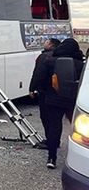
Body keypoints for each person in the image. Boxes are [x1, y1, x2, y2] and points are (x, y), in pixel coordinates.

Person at [33, 38, 85, 169]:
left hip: (53, 100)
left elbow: (41, 78)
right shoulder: (80, 64)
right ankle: (79, 156)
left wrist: (44, 92)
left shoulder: (49, 61)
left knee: (54, 128)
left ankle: (52, 158)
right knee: (77, 128)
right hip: (72, 100)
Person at [28, 38, 61, 149]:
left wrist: (32, 88)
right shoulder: (62, 56)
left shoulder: (44, 57)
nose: (44, 43)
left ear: (51, 45)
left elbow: (38, 74)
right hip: (59, 93)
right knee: (56, 119)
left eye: (46, 42)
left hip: (46, 92)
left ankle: (50, 141)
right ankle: (56, 141)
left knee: (46, 117)